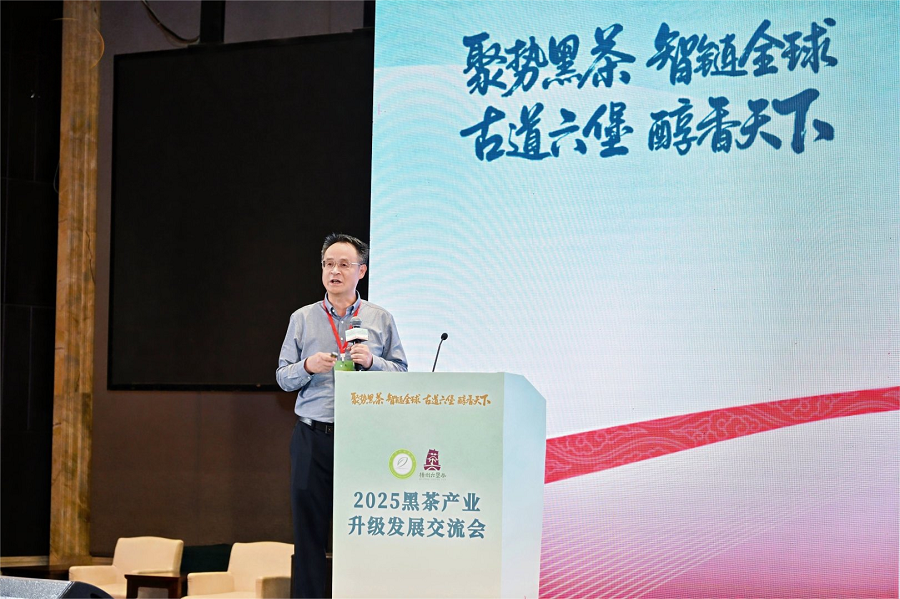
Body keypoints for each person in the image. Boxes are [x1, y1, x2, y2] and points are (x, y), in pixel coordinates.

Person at [276, 233, 407, 598]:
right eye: (328, 264)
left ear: (361, 271)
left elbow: (402, 373)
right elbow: (283, 377)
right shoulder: (302, 318)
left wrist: (374, 362)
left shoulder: (380, 318)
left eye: (344, 264)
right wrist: (307, 365)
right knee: (308, 535)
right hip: (312, 437)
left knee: (363, 529)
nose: (334, 271)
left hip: (364, 439)